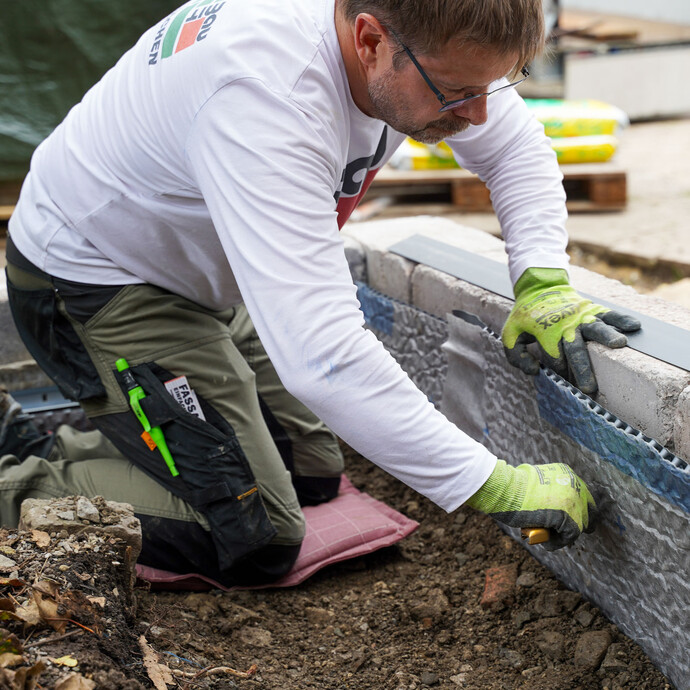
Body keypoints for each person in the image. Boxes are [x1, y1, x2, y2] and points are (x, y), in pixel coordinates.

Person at [2, 0, 633, 586]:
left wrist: (544, 282)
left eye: (494, 86)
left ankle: (98, 436)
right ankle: (18, 483)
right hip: (90, 282)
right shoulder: (268, 98)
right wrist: (489, 484)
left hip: (194, 274)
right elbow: (325, 360)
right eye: (457, 92)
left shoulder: (415, 42)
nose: (478, 114)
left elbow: (516, 152)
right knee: (253, 531)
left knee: (311, 467)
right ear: (369, 39)